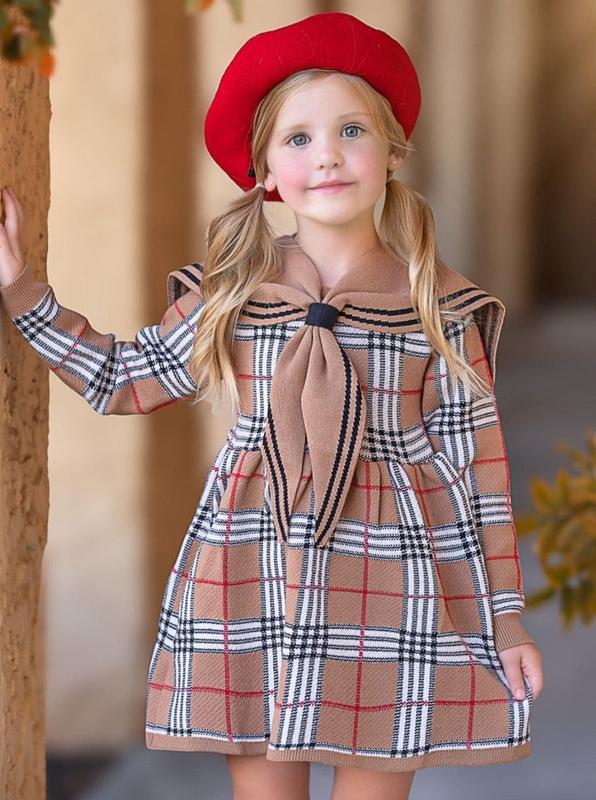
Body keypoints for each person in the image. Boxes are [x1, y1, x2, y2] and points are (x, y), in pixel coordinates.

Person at [0, 11, 544, 800]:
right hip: (249, 574)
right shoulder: (232, 297)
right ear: (263, 172)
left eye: (351, 130)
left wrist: (505, 619)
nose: (326, 154)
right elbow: (125, 378)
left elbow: (478, 476)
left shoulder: (439, 308)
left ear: (393, 151)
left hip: (392, 585)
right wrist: (23, 292)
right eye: (298, 138)